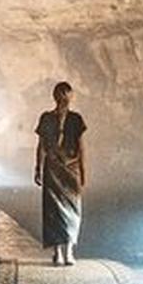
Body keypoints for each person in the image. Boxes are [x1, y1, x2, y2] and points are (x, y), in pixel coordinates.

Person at [34, 82, 87, 266]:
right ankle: (57, 251)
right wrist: (38, 168)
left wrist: (82, 171)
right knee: (53, 210)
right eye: (61, 94)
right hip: (53, 168)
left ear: (71, 96)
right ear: (55, 96)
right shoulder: (46, 118)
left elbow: (81, 147)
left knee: (73, 209)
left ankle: (69, 250)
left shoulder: (76, 119)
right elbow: (41, 146)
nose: (64, 97)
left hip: (70, 169)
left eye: (67, 94)